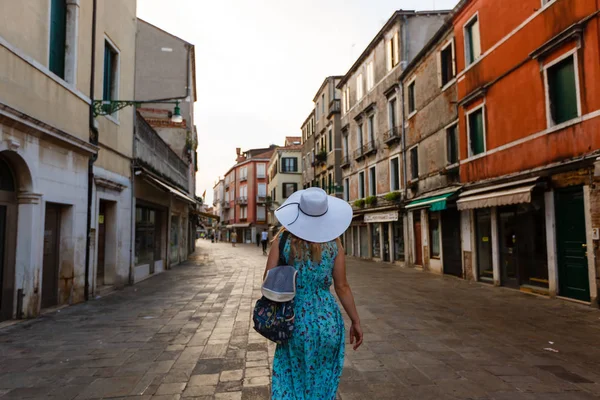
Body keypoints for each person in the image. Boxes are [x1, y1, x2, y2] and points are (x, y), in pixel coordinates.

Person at [264, 187, 363, 399]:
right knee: (322, 380)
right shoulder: (334, 244)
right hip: (328, 322)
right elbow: (342, 286)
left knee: (291, 378)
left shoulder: (282, 242)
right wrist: (355, 321)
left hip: (293, 320)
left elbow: (268, 281)